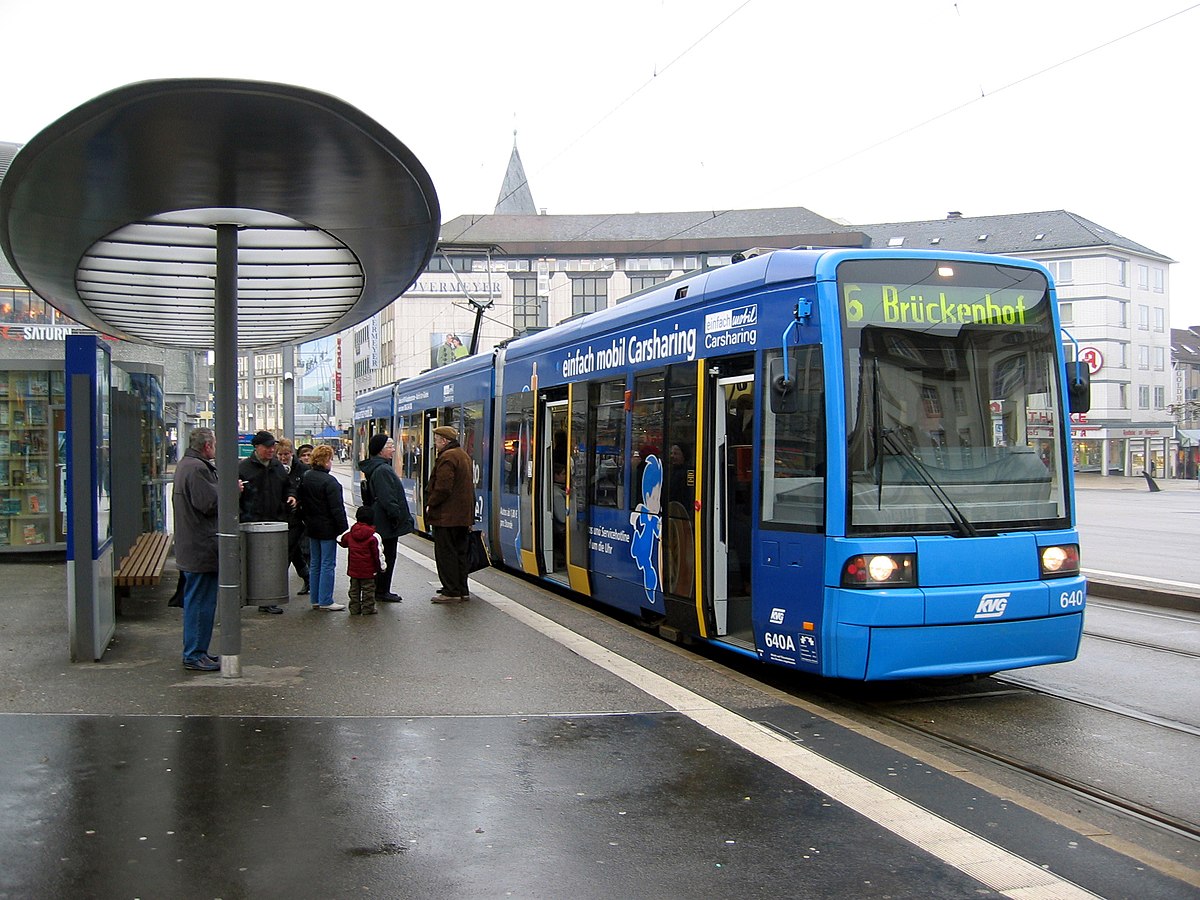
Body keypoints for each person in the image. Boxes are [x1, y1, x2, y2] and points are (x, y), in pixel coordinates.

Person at [172, 427, 221, 672]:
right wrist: (233, 491)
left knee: (198, 600)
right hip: (202, 545)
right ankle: (194, 654)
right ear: (207, 446)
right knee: (201, 602)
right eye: (215, 443)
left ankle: (197, 650)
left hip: (193, 543)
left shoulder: (187, 464)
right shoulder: (198, 468)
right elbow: (209, 503)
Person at [237, 430, 296, 614]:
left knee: (269, 563)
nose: (272, 450)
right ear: (257, 447)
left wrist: (291, 496)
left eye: (273, 447)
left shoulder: (277, 466)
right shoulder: (244, 468)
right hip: (250, 521)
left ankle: (267, 599)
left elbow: (288, 485)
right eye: (268, 447)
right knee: (246, 561)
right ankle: (241, 596)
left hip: (274, 521)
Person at [358, 433, 414, 603]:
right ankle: (382, 590)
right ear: (381, 451)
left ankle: (381, 589)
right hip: (386, 522)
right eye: (390, 447)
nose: (393, 450)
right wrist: (396, 516)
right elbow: (387, 497)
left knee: (383, 555)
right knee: (387, 556)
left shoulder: (376, 467)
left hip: (380, 520)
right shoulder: (383, 470)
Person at [425, 425, 476, 603]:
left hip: (447, 516)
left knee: (446, 554)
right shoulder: (463, 455)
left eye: (437, 440)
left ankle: (451, 591)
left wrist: (431, 503)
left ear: (444, 441)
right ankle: (462, 589)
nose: (435, 443)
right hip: (462, 516)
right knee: (460, 553)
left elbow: (443, 487)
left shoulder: (447, 457)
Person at [298, 445, 348, 611]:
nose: (331, 462)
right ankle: (326, 599)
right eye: (330, 459)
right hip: (327, 528)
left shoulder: (306, 476)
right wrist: (344, 530)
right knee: (327, 564)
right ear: (325, 460)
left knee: (315, 564)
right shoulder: (330, 482)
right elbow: (337, 509)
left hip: (312, 527)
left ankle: (315, 599)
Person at [275, 438, 310, 596]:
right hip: (279, 516)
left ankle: (276, 589)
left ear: (292, 453)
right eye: (280, 454)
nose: (283, 457)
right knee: (294, 551)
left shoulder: (301, 469)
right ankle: (307, 577)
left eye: (286, 454)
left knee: (285, 551)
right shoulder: (274, 468)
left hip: (297, 518)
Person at [339, 506, 385, 615]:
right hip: (368, 571)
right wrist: (382, 567)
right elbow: (378, 555)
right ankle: (368, 609)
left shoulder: (351, 534)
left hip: (354, 570)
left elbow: (342, 541)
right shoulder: (374, 536)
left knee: (354, 591)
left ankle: (354, 609)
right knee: (368, 590)